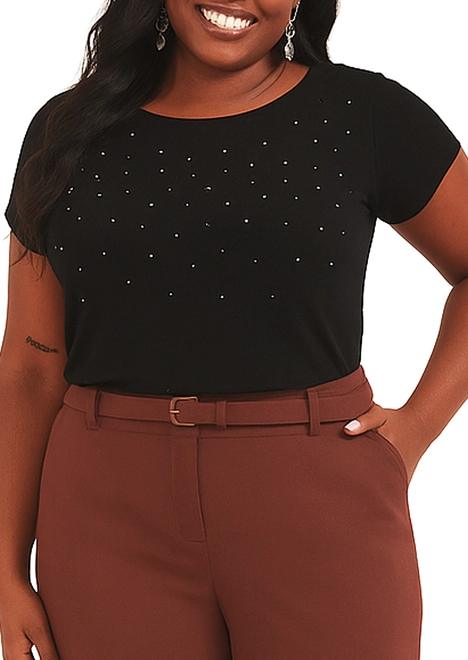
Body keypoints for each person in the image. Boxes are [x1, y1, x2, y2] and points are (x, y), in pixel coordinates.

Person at [0, 0, 467, 658]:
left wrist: (416, 429)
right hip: (103, 513)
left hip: (318, 501)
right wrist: (4, 567)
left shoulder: (364, 114)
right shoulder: (65, 129)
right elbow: (30, 365)